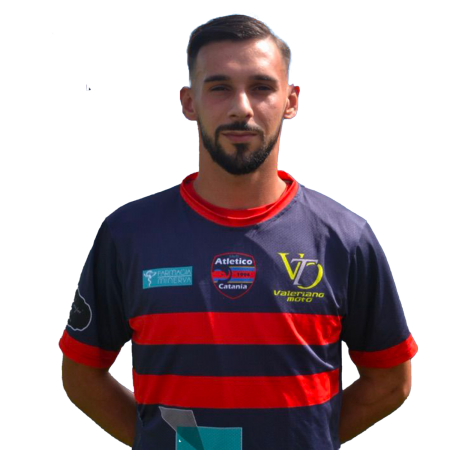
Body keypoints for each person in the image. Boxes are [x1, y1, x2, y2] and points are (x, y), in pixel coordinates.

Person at [59, 13, 418, 449]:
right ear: (189, 102)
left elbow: (391, 380)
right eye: (219, 87)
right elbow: (81, 374)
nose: (241, 108)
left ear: (291, 101)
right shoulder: (126, 234)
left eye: (262, 87)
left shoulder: (346, 237)